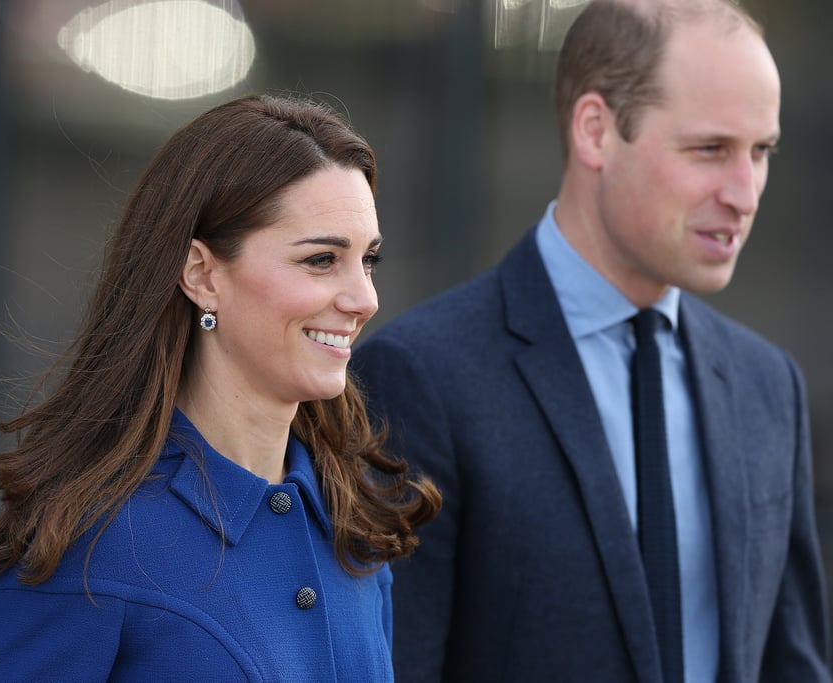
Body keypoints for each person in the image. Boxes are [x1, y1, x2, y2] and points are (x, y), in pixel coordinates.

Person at [350, 1, 832, 681]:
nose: (744, 192)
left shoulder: (767, 385)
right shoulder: (422, 377)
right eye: (711, 149)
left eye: (761, 152)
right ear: (596, 131)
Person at [0, 94, 441, 682]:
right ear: (202, 275)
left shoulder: (355, 524)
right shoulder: (87, 541)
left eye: (369, 260)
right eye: (323, 259)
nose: (365, 299)